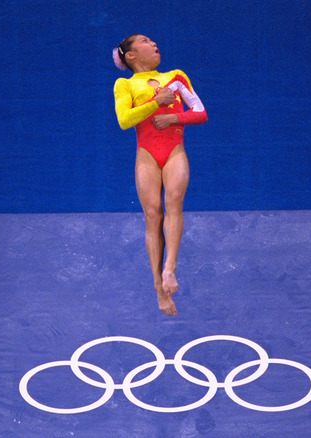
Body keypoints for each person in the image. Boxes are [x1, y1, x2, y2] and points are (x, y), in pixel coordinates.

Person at [112, 34, 208, 316]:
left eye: (154, 40)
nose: (154, 43)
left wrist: (173, 117)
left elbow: (200, 112)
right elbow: (124, 120)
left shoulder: (176, 76)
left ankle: (170, 269)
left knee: (174, 201)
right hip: (147, 153)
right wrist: (157, 103)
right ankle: (158, 288)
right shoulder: (126, 84)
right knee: (153, 215)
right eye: (145, 41)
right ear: (131, 55)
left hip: (174, 148)